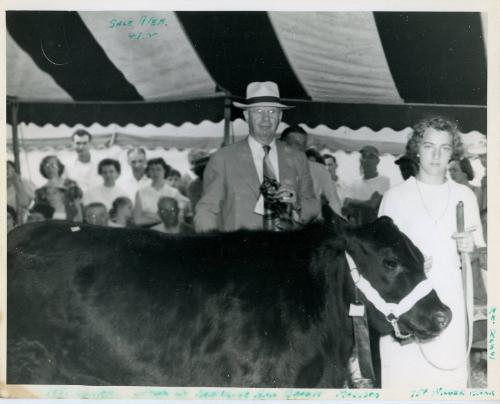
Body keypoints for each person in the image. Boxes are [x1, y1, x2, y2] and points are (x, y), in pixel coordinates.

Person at [378, 116, 486, 388]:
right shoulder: (395, 197)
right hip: (406, 303)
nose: (436, 155)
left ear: (453, 152)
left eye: (445, 147)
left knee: (446, 379)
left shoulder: (465, 196)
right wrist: (407, 264)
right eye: (429, 146)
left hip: (449, 300)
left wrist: (469, 248)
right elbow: (380, 260)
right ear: (417, 148)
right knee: (404, 379)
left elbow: (478, 253)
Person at [194, 81, 319, 232]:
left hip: (286, 253)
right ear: (247, 116)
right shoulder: (222, 159)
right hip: (240, 252)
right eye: (258, 111)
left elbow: (313, 206)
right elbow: (206, 211)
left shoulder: (298, 158)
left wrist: (297, 201)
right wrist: (214, 249)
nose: (266, 119)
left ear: (280, 116)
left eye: (272, 112)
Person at [281, 125, 342, 215]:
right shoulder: (270, 169)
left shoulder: (319, 170)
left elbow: (334, 201)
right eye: (296, 144)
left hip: (312, 225)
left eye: (304, 144)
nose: (301, 149)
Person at [134, 158, 192, 227]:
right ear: (148, 172)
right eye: (152, 169)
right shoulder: (141, 192)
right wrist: (164, 218)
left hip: (167, 231)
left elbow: (179, 216)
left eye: (158, 169)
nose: (155, 173)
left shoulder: (173, 192)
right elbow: (137, 220)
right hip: (147, 231)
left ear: (165, 171)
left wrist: (148, 215)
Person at [342, 145, 390, 225]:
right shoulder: (354, 183)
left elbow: (372, 205)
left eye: (371, 157)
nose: (367, 160)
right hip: (357, 230)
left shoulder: (384, 180)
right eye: (364, 156)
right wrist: (365, 203)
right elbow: (345, 207)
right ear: (360, 160)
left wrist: (353, 202)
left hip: (374, 230)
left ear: (377, 161)